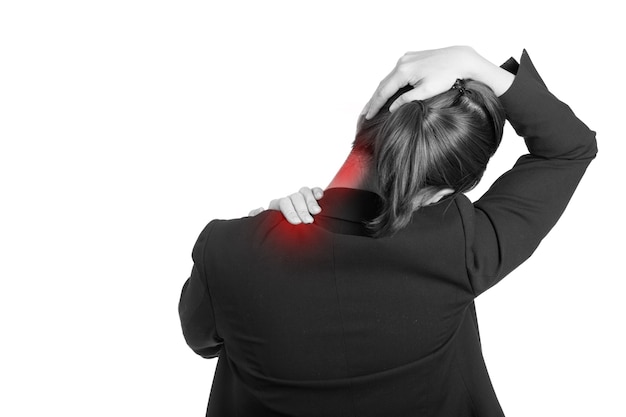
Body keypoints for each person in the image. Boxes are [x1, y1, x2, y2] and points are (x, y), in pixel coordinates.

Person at [179, 46, 597, 416]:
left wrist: (256, 234)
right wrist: (475, 64)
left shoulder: (228, 249)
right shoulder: (460, 247)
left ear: (366, 118)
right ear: (446, 191)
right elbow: (569, 148)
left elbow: (203, 342)